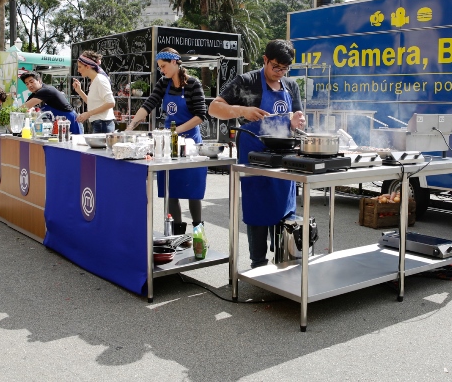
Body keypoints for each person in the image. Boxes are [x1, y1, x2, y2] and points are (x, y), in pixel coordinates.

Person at [208, 39, 305, 268]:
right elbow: (214, 107)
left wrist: (298, 120)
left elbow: (299, 118)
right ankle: (258, 264)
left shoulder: (291, 86)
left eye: (285, 68)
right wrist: (242, 110)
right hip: (254, 158)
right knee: (258, 210)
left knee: (285, 210)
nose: (280, 73)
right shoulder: (247, 82)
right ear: (265, 60)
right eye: (275, 67)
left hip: (283, 159)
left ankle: (285, 261)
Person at [129, 47, 208, 235]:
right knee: (170, 189)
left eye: (163, 66)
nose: (162, 70)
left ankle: (198, 234)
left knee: (192, 190)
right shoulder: (163, 83)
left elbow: (200, 115)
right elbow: (149, 104)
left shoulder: (193, 84)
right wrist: (131, 125)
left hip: (190, 143)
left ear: (174, 62)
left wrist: (175, 131)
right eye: (159, 67)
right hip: (168, 145)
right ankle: (177, 236)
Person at [72, 51, 116, 133]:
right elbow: (93, 103)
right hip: (100, 124)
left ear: (88, 67)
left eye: (80, 67)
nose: (78, 70)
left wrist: (88, 114)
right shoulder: (95, 80)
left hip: (103, 124)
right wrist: (79, 91)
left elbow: (111, 103)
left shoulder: (100, 79)